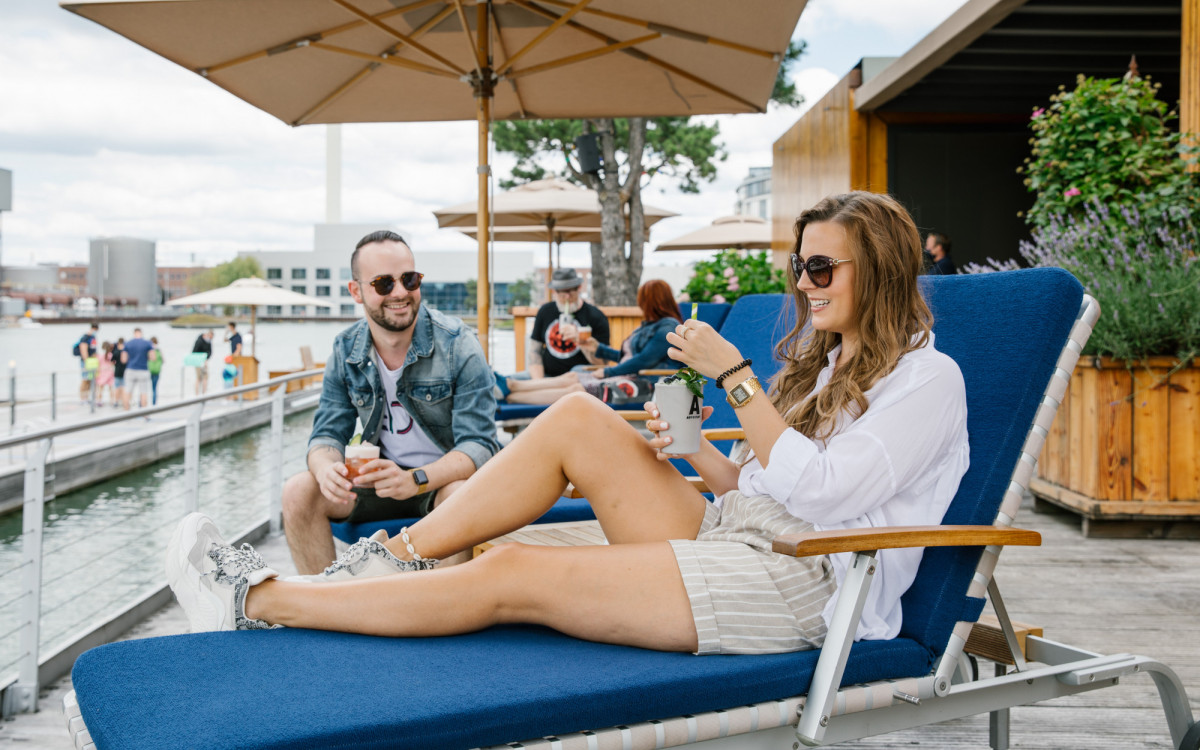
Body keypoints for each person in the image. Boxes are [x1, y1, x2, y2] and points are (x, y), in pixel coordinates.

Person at [165, 192, 969, 659]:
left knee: (511, 572)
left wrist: (734, 379)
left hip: (814, 579)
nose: (803, 283)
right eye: (800, 266)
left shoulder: (929, 379)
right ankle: (374, 565)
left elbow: (825, 500)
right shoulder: (827, 366)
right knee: (579, 418)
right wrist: (690, 450)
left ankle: (267, 598)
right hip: (738, 527)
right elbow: (755, 485)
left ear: (885, 272)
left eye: (820, 268)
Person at [277, 230, 498, 576]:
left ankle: (444, 613)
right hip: (374, 486)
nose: (400, 293)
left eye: (409, 280)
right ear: (357, 291)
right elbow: (325, 435)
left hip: (437, 484)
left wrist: (415, 479)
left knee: (459, 494)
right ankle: (326, 609)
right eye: (383, 283)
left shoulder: (458, 343)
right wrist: (326, 471)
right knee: (298, 490)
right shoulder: (344, 348)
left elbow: (481, 445)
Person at [527, 268, 610, 378]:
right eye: (562, 293)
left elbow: (603, 363)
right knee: (510, 381)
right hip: (547, 376)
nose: (567, 297)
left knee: (576, 371)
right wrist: (539, 383)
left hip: (579, 377)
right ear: (554, 292)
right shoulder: (545, 311)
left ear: (579, 288)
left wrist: (580, 340)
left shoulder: (595, 316)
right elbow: (534, 352)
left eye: (571, 292)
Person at [123, 328, 155, 409]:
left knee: (127, 391)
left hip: (130, 369)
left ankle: (126, 412)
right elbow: (153, 357)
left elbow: (123, 360)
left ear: (134, 333)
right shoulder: (147, 343)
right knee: (143, 392)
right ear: (141, 333)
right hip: (143, 370)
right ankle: (145, 414)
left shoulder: (128, 343)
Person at [76, 323, 98, 404]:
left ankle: (87, 397)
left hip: (92, 361)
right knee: (85, 379)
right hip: (86, 361)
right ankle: (82, 398)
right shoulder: (85, 337)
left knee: (90, 379)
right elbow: (83, 349)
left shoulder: (93, 337)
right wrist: (86, 361)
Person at [192, 330, 214, 395]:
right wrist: (201, 358)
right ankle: (197, 394)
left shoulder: (209, 342)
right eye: (209, 336)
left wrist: (206, 359)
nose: (210, 338)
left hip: (205, 362)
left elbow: (210, 352)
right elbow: (194, 352)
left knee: (205, 377)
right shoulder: (199, 341)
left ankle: (204, 393)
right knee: (199, 378)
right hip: (198, 361)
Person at [111, 338, 127, 409]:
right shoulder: (126, 352)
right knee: (123, 387)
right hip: (125, 372)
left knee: (117, 387)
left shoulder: (116, 352)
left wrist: (115, 365)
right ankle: (124, 401)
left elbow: (112, 361)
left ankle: (116, 401)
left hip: (117, 371)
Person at [148, 337, 164, 405]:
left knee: (146, 388)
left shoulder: (149, 350)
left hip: (149, 370)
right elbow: (163, 360)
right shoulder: (158, 350)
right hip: (157, 371)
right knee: (154, 388)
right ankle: (154, 403)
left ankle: (144, 403)